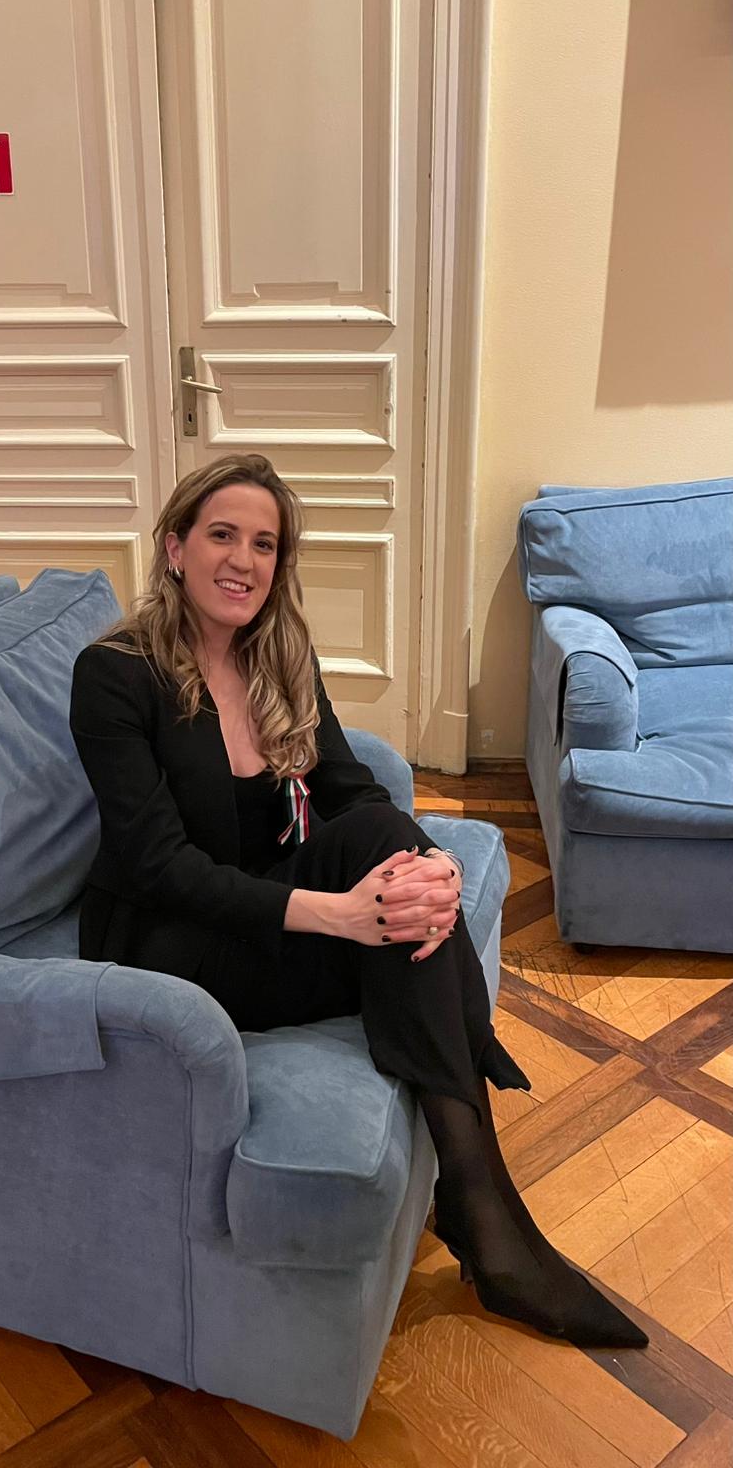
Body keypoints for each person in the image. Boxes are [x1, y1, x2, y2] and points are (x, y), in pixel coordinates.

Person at [69, 453, 646, 1349]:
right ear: (175, 548)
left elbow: (351, 793)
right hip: (168, 941)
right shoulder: (114, 673)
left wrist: (431, 867)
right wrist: (337, 913)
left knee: (397, 868)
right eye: (222, 535)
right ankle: (489, 1222)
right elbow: (158, 865)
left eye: (265, 544)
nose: (244, 560)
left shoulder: (278, 656)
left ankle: (481, 1217)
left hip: (265, 907)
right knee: (391, 918)